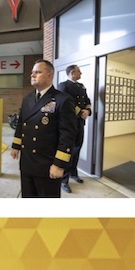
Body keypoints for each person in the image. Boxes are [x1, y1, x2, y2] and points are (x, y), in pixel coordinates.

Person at [10, 60, 78, 198]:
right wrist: (16, 145)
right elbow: (21, 123)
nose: (32, 75)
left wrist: (59, 164)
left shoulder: (62, 100)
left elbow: (68, 135)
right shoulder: (27, 98)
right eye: (32, 72)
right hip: (27, 162)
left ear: (49, 75)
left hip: (47, 164)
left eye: (38, 72)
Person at [57, 64, 92, 193]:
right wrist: (80, 113)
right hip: (69, 124)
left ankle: (73, 173)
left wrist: (87, 110)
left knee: (77, 148)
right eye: (79, 72)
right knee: (67, 151)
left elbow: (87, 100)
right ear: (72, 73)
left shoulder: (81, 86)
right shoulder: (63, 85)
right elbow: (66, 103)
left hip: (80, 124)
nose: (81, 74)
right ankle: (63, 180)